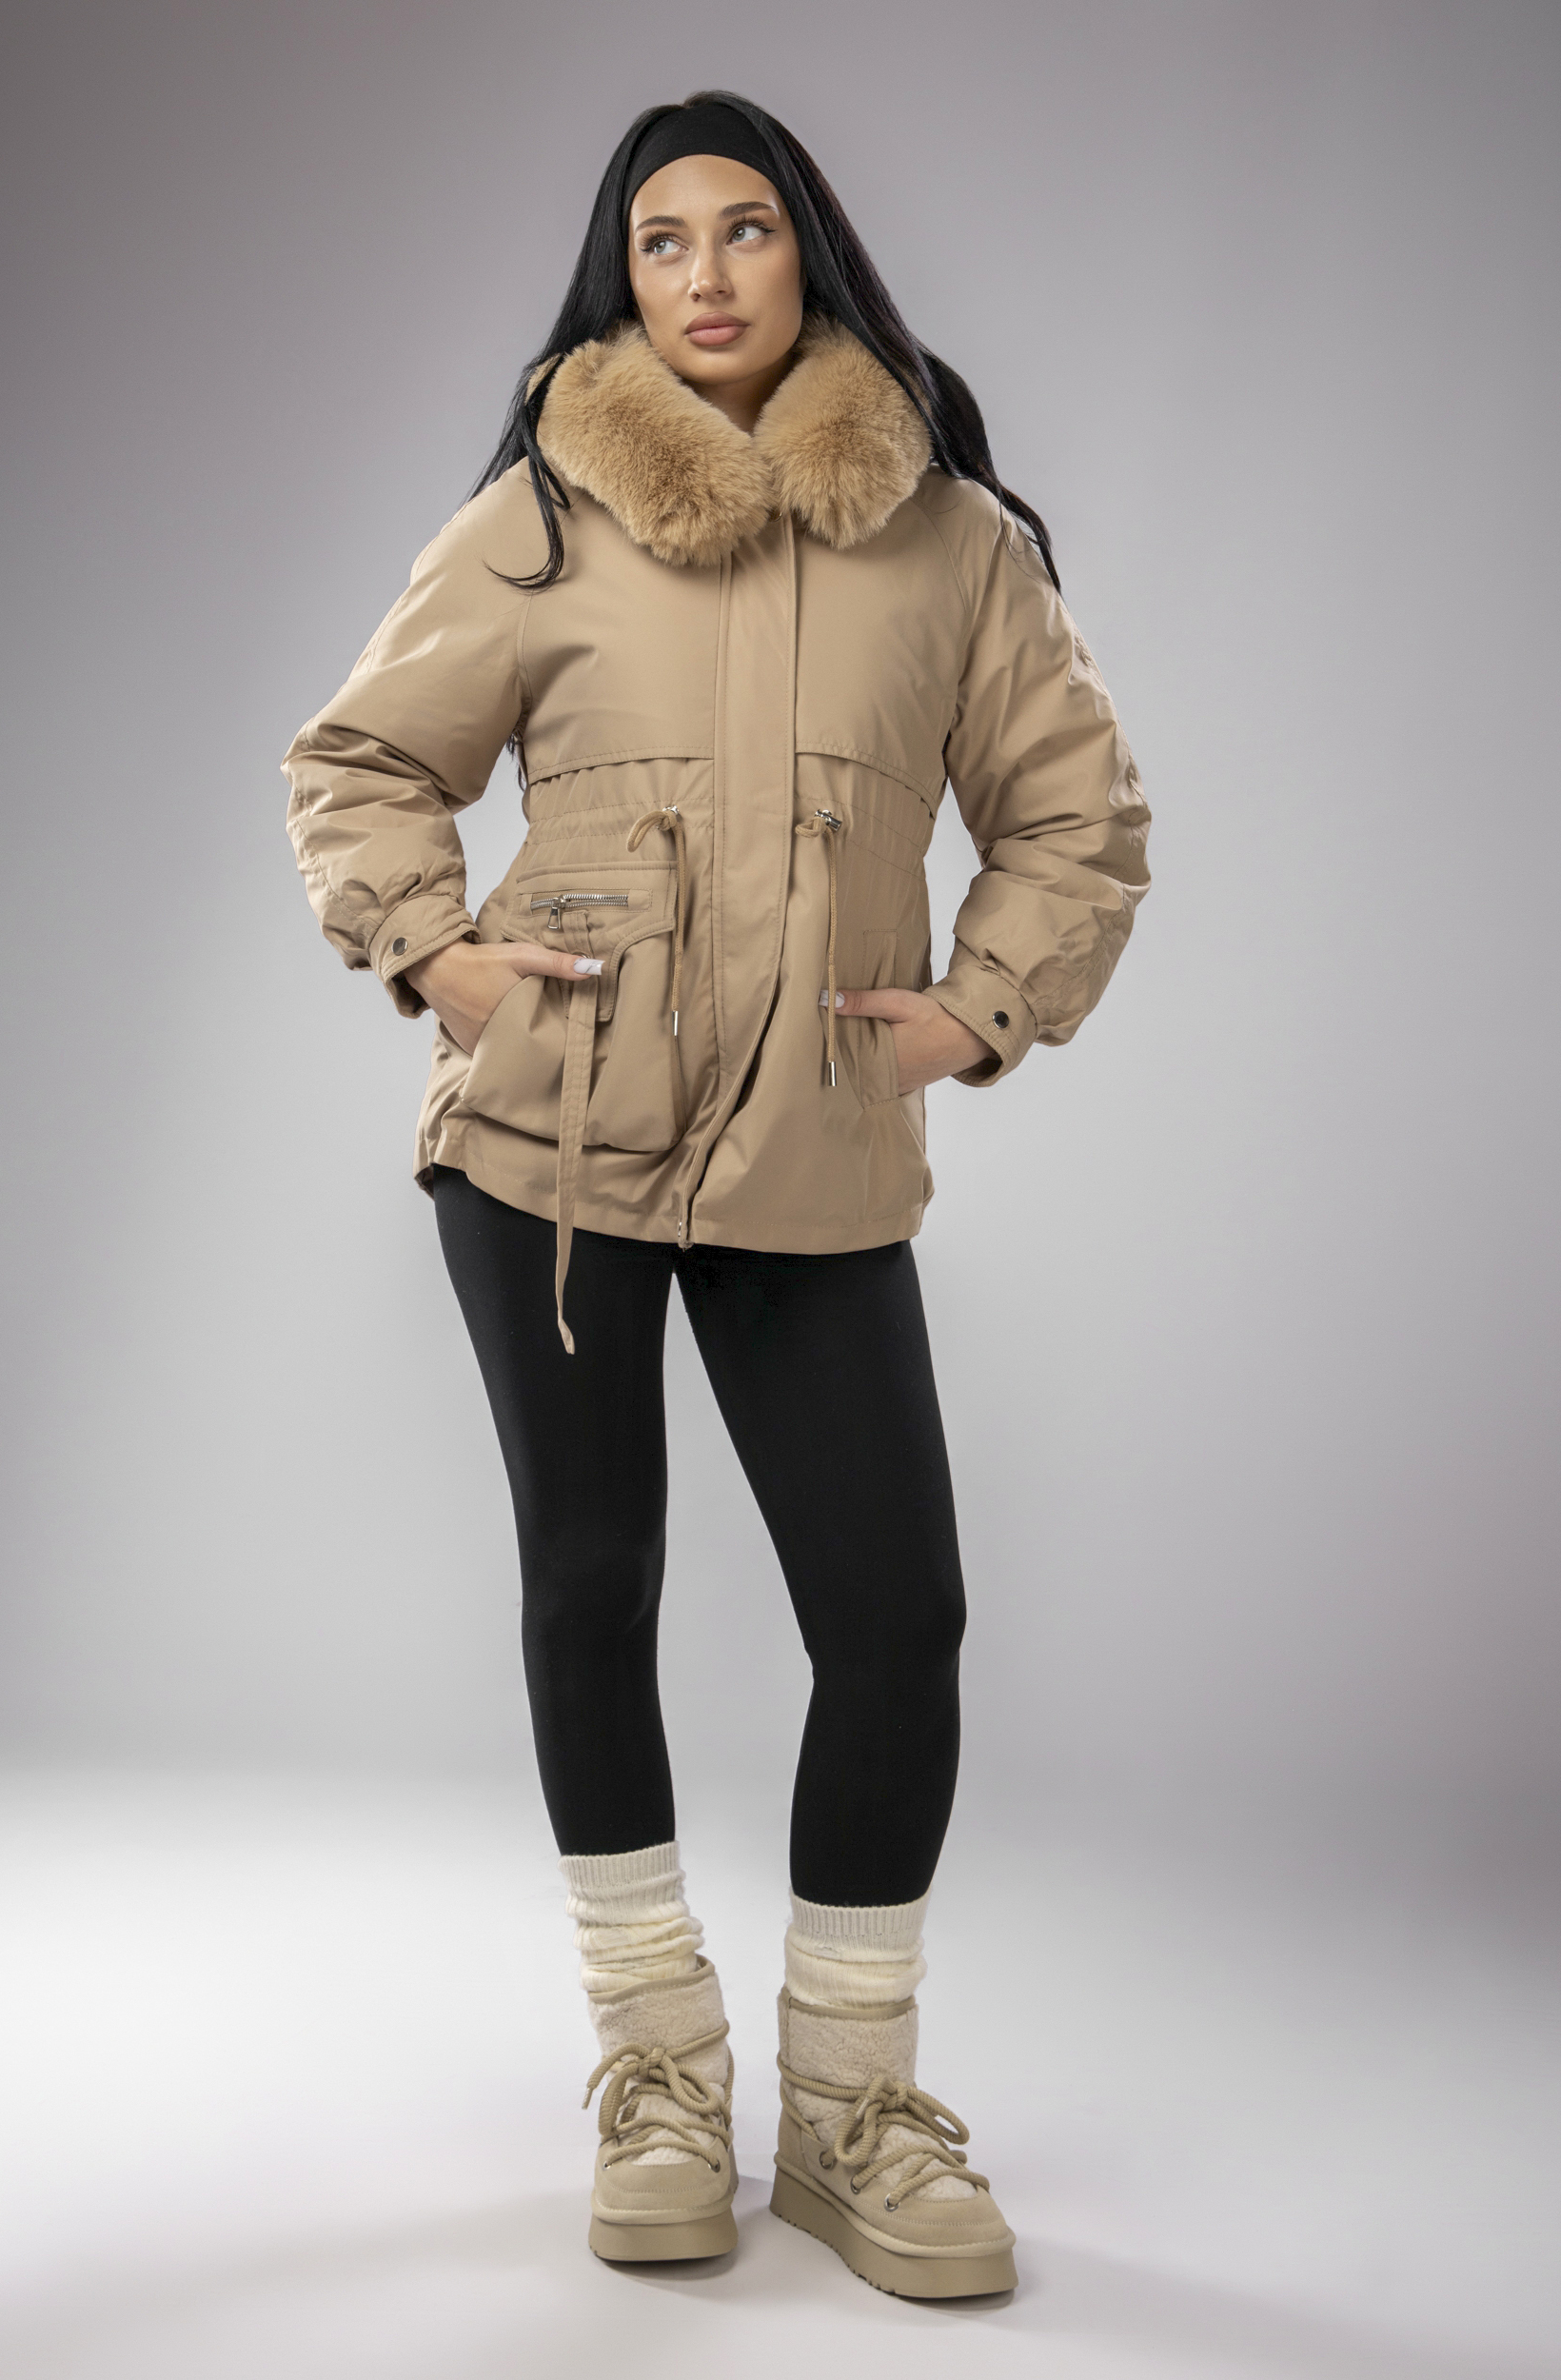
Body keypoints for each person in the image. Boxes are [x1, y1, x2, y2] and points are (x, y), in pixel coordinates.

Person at [283, 90, 1149, 2299]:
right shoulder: (536, 521)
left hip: (812, 1146)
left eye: (741, 229)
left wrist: (978, 1006)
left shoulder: (948, 542)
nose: (701, 274)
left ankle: (850, 2106)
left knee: (894, 1618)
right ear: (622, 273)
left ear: (805, 253)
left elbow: (1074, 814)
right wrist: (436, 951)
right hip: (545, 1147)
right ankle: (656, 2068)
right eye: (658, 238)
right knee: (592, 1581)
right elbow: (361, 760)